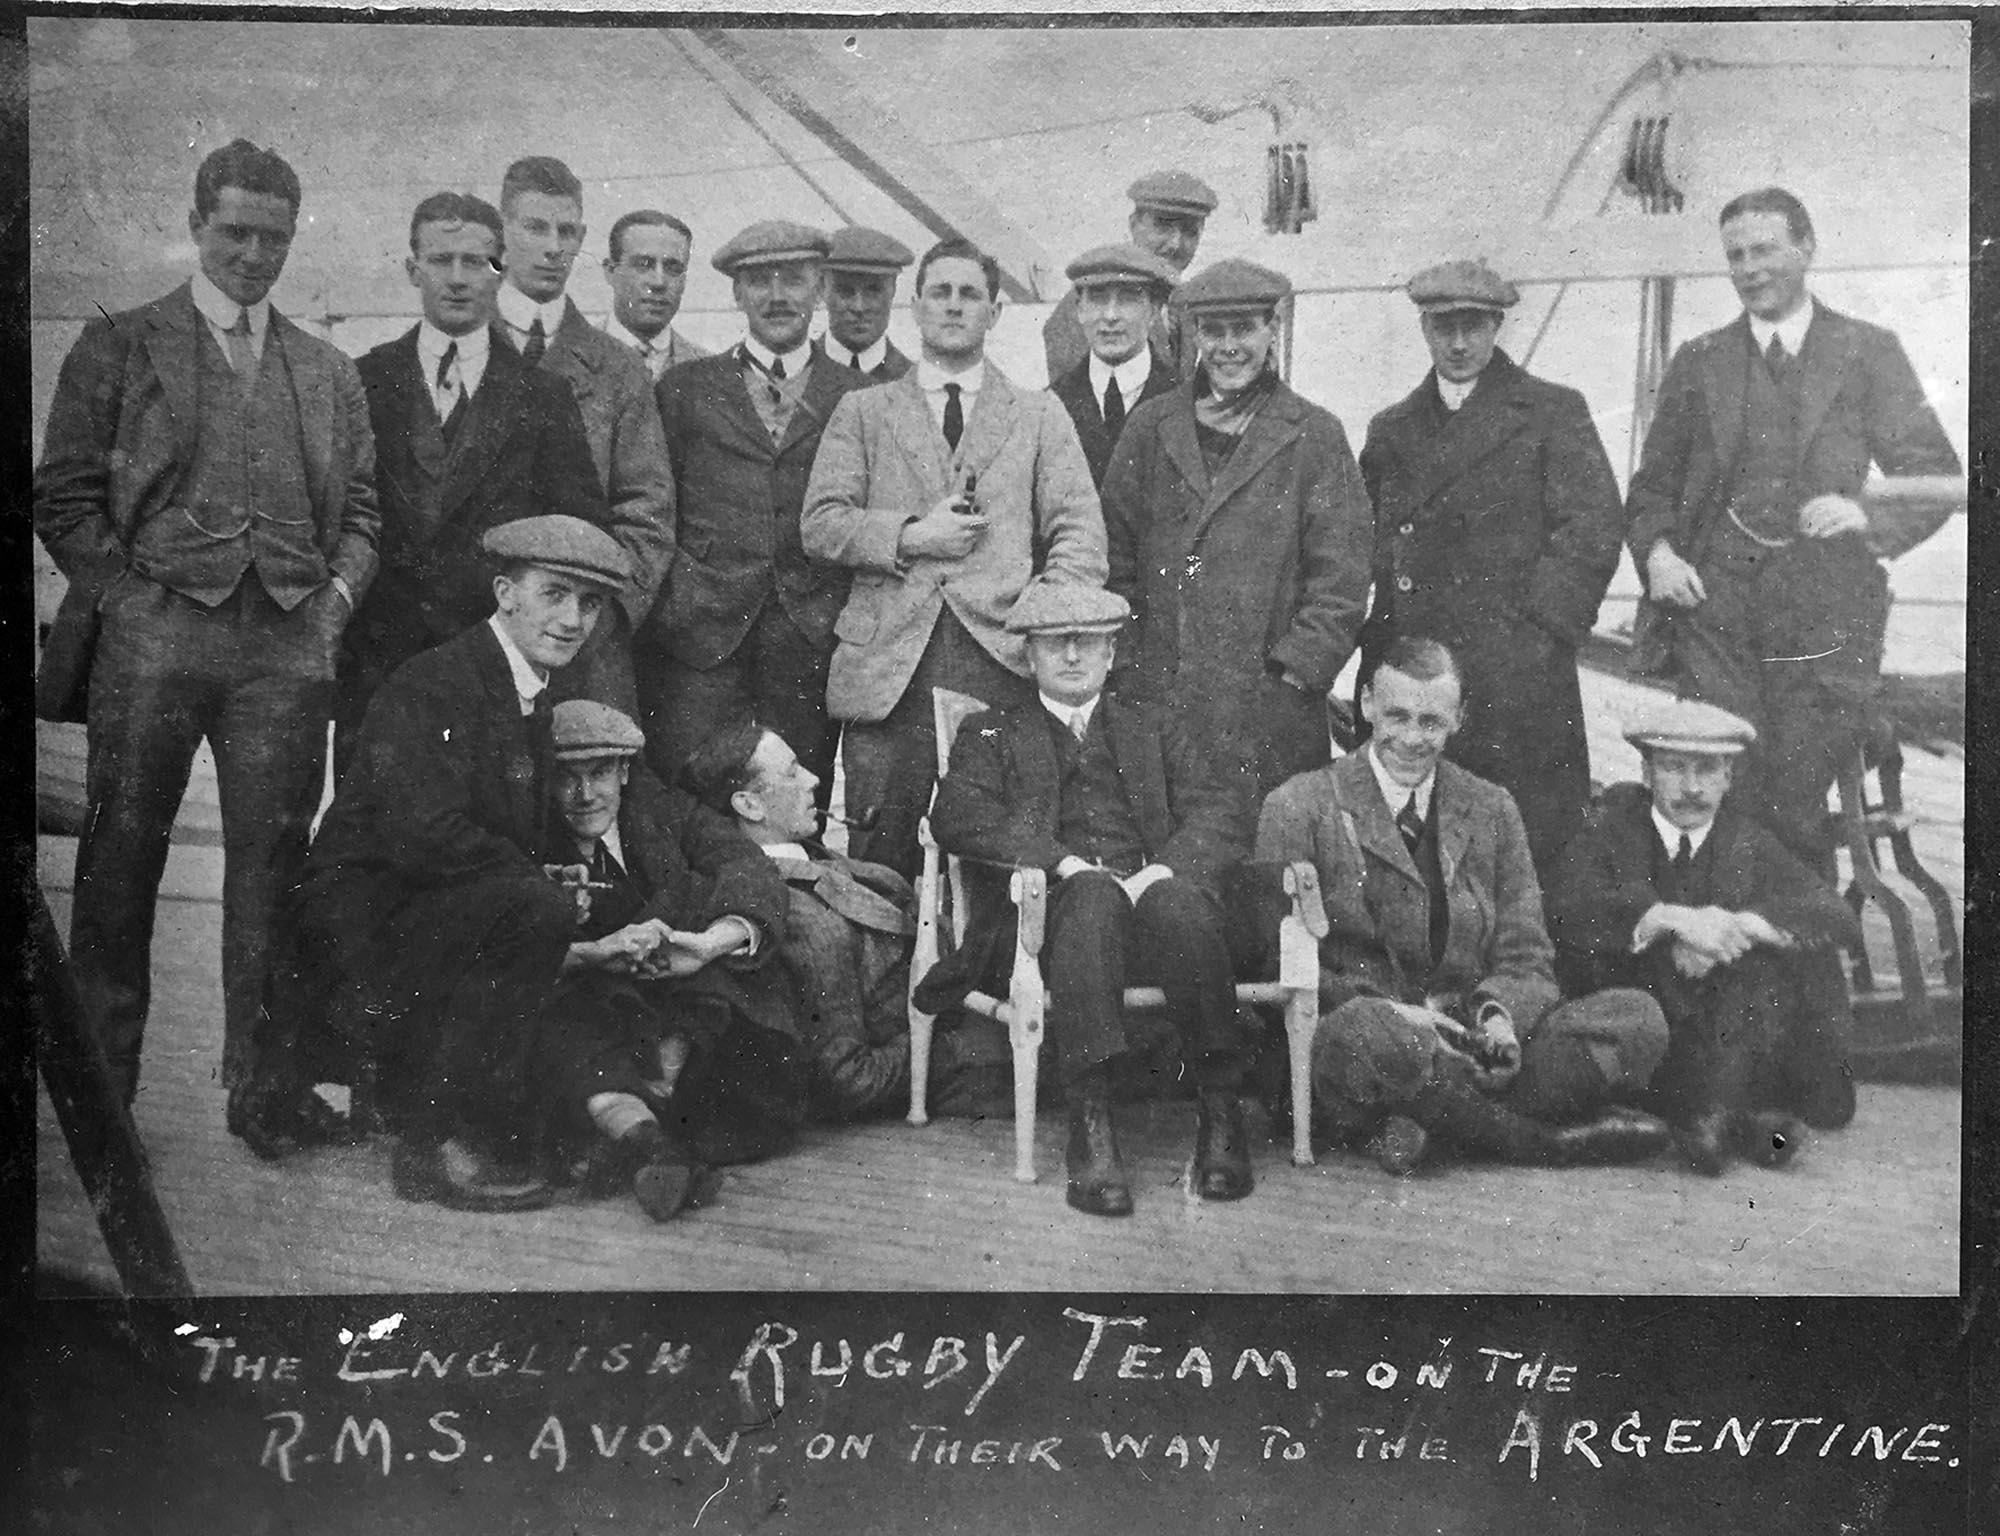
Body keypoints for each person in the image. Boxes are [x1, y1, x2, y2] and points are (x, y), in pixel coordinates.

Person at [33, 139, 379, 1147]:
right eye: (234, 231)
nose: (252, 255)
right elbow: (61, 497)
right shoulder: (120, 345)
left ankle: (260, 1093)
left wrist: (332, 606)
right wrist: (131, 606)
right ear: (195, 226)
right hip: (153, 641)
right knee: (119, 860)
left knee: (271, 864)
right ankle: (104, 1097)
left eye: (272, 237)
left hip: (283, 647)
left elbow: (360, 515)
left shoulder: (325, 370)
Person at [286, 516, 630, 1209]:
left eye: (589, 604)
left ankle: (491, 1122)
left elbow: (472, 837)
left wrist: (540, 879)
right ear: (505, 592)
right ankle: (431, 1143)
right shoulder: (439, 682)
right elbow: (422, 832)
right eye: (555, 595)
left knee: (553, 908)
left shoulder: (521, 685)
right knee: (539, 911)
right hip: (361, 926)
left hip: (416, 907)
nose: (572, 620)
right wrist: (532, 884)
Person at [1625, 186, 1961, 873]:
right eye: (1736, 256)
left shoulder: (1868, 351)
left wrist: (1868, 514)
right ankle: (1718, 952)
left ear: (1807, 248)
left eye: (1765, 250)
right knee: (1725, 776)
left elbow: (1936, 473)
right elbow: (1651, 486)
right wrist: (1658, 554)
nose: (1750, 269)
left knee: (1797, 789)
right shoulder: (1699, 360)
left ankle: (1799, 959)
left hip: (1828, 614)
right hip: (1716, 608)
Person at [1253, 637, 1674, 1174]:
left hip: (1473, 1043)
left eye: (1431, 722)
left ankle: (1432, 1124)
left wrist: (1497, 1018)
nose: (1410, 738)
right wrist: (1401, 1017)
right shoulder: (1299, 804)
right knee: (1368, 1033)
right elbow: (1279, 962)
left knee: (1637, 1019)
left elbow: (1528, 955)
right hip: (1367, 1041)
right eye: (1395, 716)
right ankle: (1536, 1141)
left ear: (1458, 720)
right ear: (1365, 706)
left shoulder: (1491, 808)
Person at [928, 585, 1260, 1216]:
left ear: (1112, 653)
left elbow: (1221, 810)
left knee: (1183, 906)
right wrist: (1064, 861)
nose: (1073, 656)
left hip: (1154, 905)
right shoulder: (993, 729)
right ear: (1030, 655)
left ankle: (1221, 1115)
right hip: (1052, 921)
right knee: (1089, 899)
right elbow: (959, 813)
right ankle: (1090, 1121)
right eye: (1057, 643)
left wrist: (1161, 870)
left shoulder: (1154, 725)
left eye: (1089, 643)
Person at [802, 237, 1107, 881]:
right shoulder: (863, 411)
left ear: (995, 312)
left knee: (999, 853)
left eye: (970, 294)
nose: (954, 306)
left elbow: (1080, 532)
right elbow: (822, 525)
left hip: (1000, 658)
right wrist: (911, 536)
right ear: (916, 306)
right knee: (882, 855)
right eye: (940, 292)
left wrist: (1039, 617)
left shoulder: (1037, 413)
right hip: (888, 669)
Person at [1357, 257, 1626, 878]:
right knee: (1414, 840)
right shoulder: (1392, 429)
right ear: (1423, 327)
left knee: (1528, 846)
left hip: (1519, 677)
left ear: (1497, 325)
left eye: (1473, 326)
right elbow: (1367, 539)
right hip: (1417, 672)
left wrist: (1538, 637)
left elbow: (1592, 532)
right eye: (1443, 325)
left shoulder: (1552, 413)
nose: (1457, 343)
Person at [341, 190, 605, 775]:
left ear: (501, 270)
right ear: (413, 269)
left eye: (477, 263)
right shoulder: (363, 381)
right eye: (440, 261)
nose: (459, 279)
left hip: (494, 666)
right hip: (381, 664)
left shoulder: (544, 396)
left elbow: (580, 535)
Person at [1546, 699, 1862, 1176]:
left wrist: (1742, 927)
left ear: (1729, 778)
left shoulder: (1747, 840)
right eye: (1674, 768)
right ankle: (1734, 1123)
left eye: (1708, 770)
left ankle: (1717, 1118)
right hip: (1652, 1031)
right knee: (1627, 971)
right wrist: (1667, 919)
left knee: (1771, 963)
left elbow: (1835, 915)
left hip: (1726, 1031)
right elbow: (1566, 904)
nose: (1692, 788)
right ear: (1647, 773)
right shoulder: (1611, 828)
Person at [1102, 257, 1372, 794]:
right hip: (1163, 699)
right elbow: (1113, 554)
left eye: (1244, 329)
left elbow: (1342, 578)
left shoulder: (1314, 435)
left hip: (1271, 714)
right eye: (1214, 330)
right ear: (1195, 335)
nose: (1229, 347)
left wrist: (1294, 675)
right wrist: (1131, 661)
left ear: (1272, 330)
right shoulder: (1152, 427)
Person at [536, 701, 793, 1221]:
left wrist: (707, 945)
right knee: (559, 1024)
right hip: (593, 1000)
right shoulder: (531, 836)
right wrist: (595, 950)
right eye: (567, 779)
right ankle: (652, 1146)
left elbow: (748, 865)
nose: (585, 796)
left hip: (680, 1001)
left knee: (717, 920)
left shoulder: (668, 814)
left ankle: (646, 1129)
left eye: (600, 774)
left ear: (625, 771)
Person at [640, 220, 867, 801]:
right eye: (759, 281)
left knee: (795, 803)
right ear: (736, 294)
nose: (778, 295)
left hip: (810, 639)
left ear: (820, 289)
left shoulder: (859, 396)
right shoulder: (685, 388)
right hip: (702, 639)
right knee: (696, 795)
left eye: (794, 279)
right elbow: (655, 508)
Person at [683, 718, 967, 1123]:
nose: (814, 779)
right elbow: (853, 1078)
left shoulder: (814, 862)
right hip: (946, 1060)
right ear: (749, 805)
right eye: (792, 771)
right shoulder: (800, 914)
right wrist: (956, 1043)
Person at [494, 155, 674, 712]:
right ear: (502, 232)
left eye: (566, 231)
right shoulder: (466, 349)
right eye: (535, 228)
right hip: (469, 634)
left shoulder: (618, 369)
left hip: (583, 647)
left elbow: (649, 511)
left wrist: (601, 617)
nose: (553, 247)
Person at [1042, 169, 1214, 384]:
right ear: (1134, 225)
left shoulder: (1185, 306)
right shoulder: (1088, 308)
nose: (1175, 245)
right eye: (1163, 226)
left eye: (1190, 232)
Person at [1048, 243, 1182, 487]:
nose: (1110, 316)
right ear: (1079, 309)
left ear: (1153, 310)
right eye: (1098, 299)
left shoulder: (1186, 400)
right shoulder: (1049, 406)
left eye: (1128, 299)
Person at [600, 208, 709, 379]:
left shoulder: (709, 372)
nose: (658, 282)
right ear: (611, 271)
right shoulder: (566, 357)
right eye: (643, 265)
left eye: (673, 268)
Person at [823, 225, 916, 380]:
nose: (859, 307)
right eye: (846, 291)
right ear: (821, 289)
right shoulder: (794, 373)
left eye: (873, 291)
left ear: (893, 289)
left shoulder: (914, 383)